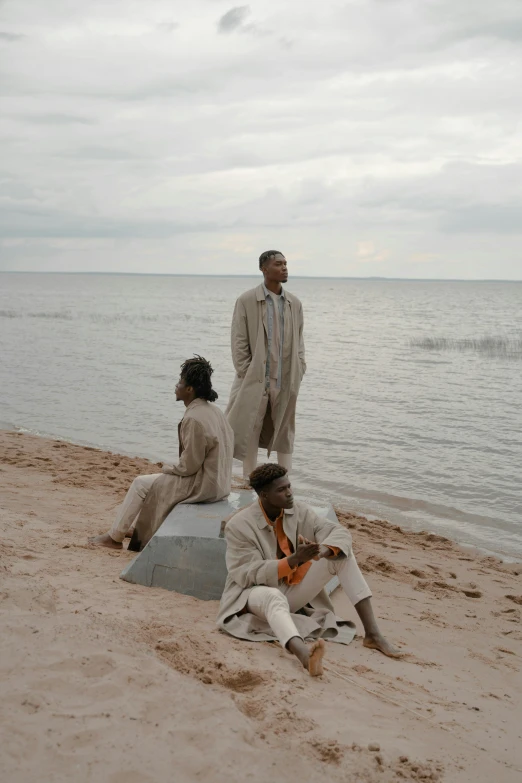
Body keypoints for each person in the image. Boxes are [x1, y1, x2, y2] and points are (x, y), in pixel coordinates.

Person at [217, 464, 401, 677]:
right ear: (264, 495)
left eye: (289, 486)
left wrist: (323, 550)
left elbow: (337, 531)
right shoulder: (239, 525)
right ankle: (305, 656)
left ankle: (373, 634)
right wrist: (293, 560)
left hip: (291, 590)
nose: (289, 493)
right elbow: (245, 573)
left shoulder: (298, 510)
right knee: (273, 596)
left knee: (342, 556)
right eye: (281, 490)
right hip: (253, 596)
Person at [89, 356, 234, 550]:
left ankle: (114, 538)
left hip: (204, 486)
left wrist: (168, 468)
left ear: (190, 389)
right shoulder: (214, 411)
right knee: (156, 482)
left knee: (141, 483)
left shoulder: (194, 418)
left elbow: (189, 466)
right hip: (220, 483)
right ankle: (134, 527)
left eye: (180, 383)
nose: (176, 387)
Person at [226, 250, 306, 479]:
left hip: (286, 378)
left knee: (284, 432)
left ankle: (284, 483)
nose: (284, 268)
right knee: (250, 429)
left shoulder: (294, 303)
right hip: (254, 379)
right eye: (278, 264)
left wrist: (300, 368)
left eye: (286, 264)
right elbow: (238, 340)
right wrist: (246, 372)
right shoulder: (247, 300)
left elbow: (299, 341)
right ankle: (250, 481)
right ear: (264, 269)